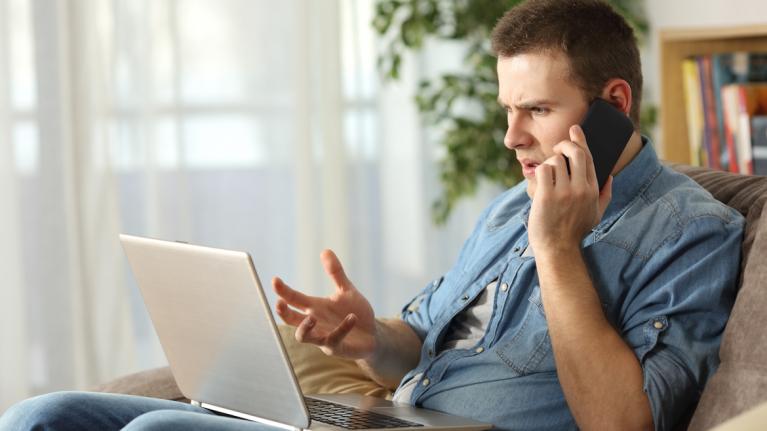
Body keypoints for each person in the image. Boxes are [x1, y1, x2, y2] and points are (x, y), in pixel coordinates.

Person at [0, 0, 744, 430]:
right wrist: (370, 337)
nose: (511, 137)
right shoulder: (512, 204)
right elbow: (419, 342)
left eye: (537, 111)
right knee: (43, 415)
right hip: (387, 417)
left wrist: (555, 251)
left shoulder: (692, 231)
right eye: (506, 111)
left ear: (613, 105)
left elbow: (623, 422)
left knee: (160, 429)